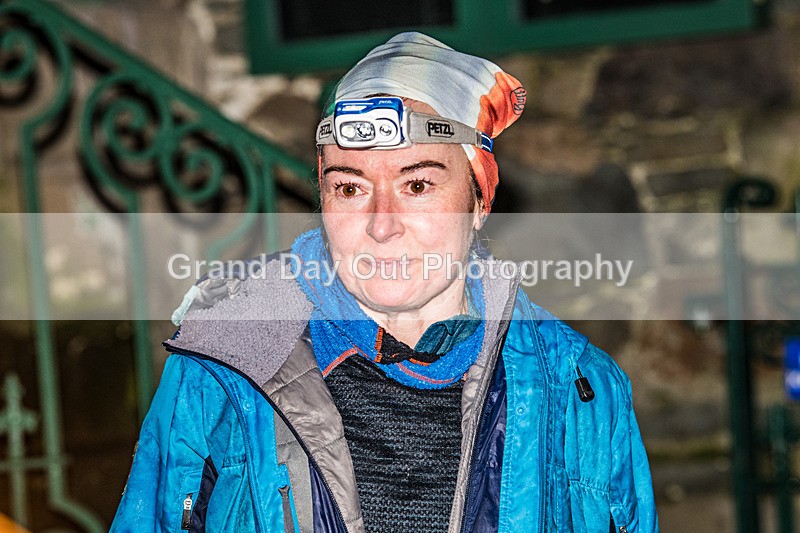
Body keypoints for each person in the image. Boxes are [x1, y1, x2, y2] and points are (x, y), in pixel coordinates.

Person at [112, 32, 658, 532]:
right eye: (349, 189)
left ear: (478, 200)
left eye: (417, 184)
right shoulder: (221, 367)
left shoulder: (579, 388)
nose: (381, 223)